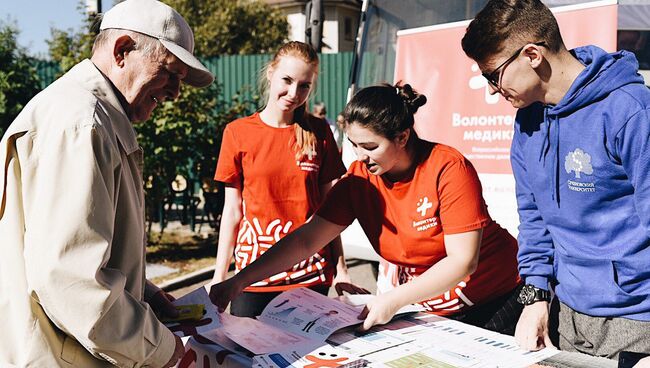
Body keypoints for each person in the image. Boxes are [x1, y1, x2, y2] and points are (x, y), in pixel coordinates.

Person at [0, 0, 214, 366]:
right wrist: (167, 352)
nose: (176, 92)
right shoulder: (83, 123)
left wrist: (143, 292)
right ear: (123, 51)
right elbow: (72, 282)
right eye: (170, 73)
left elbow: (79, 250)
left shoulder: (87, 115)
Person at [211, 83, 522, 334]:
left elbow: (463, 260)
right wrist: (239, 279)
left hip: (493, 299)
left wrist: (391, 300)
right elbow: (306, 240)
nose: (360, 156)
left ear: (402, 137)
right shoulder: (360, 180)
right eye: (353, 144)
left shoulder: (447, 167)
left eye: (370, 147)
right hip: (433, 308)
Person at [461, 0, 650, 362]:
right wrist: (536, 295)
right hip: (565, 314)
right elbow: (533, 216)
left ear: (532, 54)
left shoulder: (631, 110)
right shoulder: (528, 121)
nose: (491, 89)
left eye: (492, 75)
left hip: (637, 320)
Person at [209, 41, 349, 318]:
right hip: (253, 275)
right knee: (246, 357)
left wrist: (342, 270)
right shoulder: (237, 132)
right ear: (271, 72)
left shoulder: (318, 131)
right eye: (287, 80)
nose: (294, 93)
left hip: (310, 274)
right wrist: (219, 274)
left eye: (304, 86)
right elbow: (233, 210)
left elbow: (330, 209)